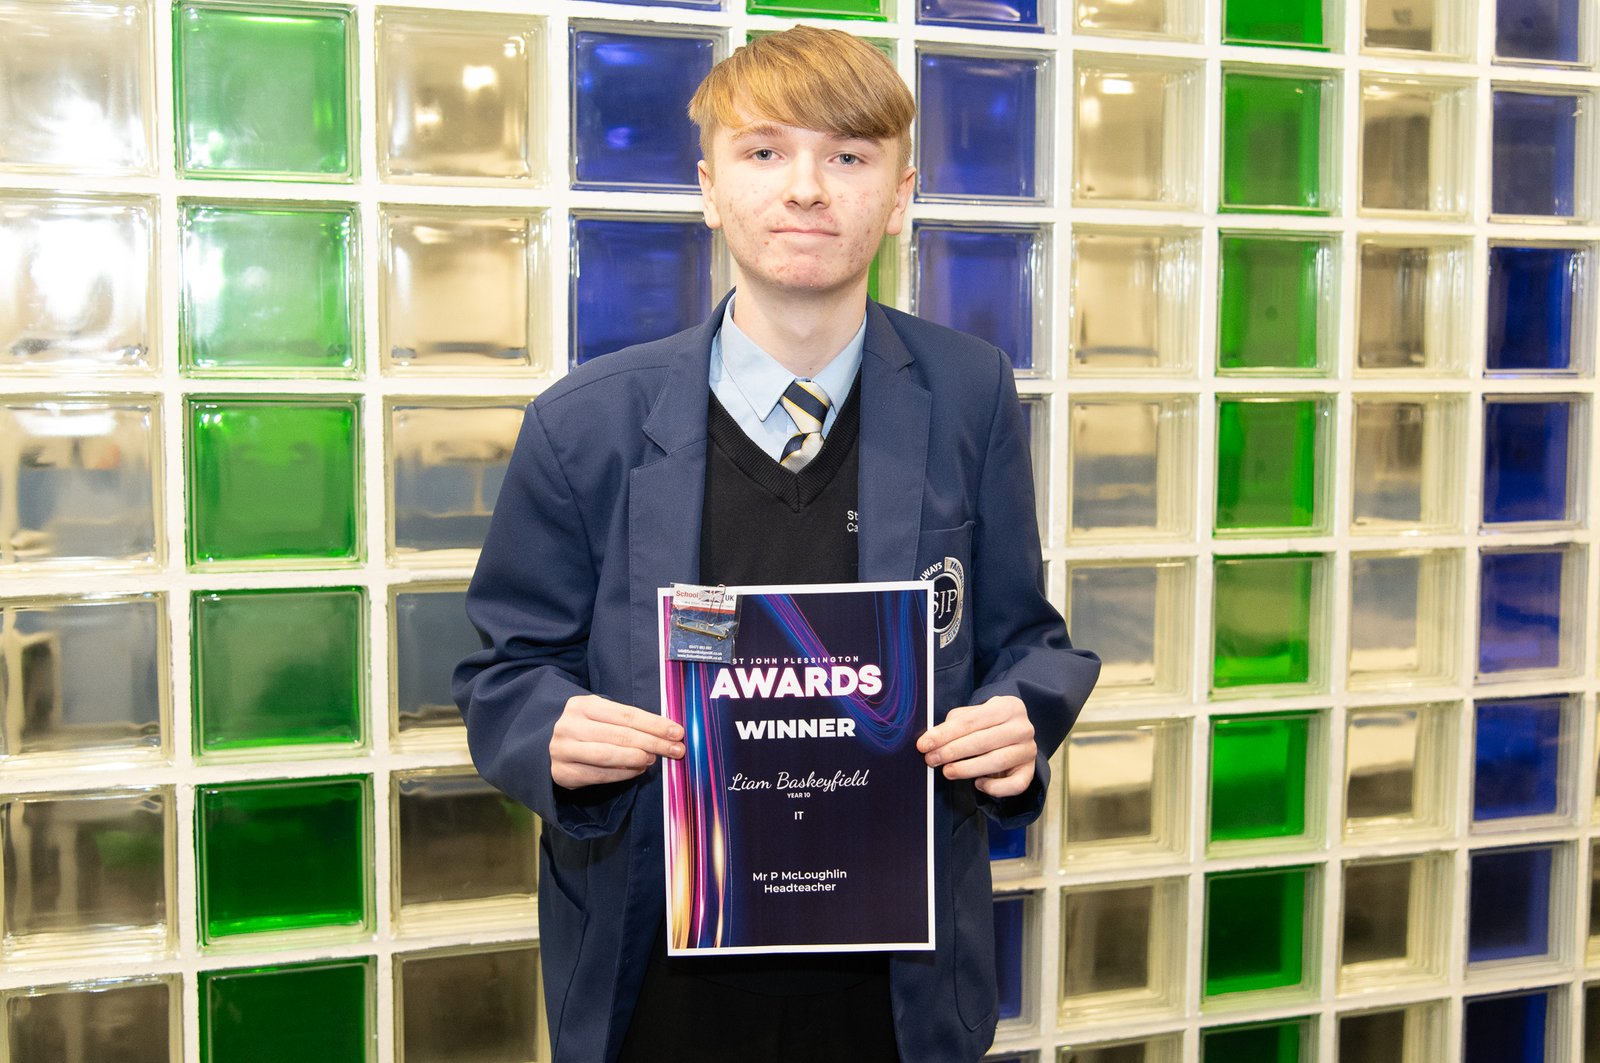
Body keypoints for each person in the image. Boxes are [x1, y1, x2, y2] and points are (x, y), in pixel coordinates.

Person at [455, 25, 1099, 1063]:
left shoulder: (969, 393)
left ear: (899, 196)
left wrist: (1017, 722)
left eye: (847, 156)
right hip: (659, 979)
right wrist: (552, 735)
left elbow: (1023, 639)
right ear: (710, 188)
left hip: (895, 990)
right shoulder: (586, 422)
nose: (806, 188)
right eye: (764, 152)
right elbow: (505, 670)